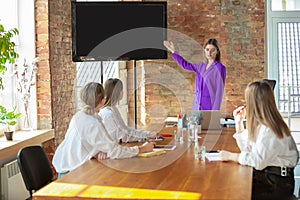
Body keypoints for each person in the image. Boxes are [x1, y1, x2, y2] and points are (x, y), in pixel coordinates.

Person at [52, 82, 154, 178]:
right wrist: (142, 149)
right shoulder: (93, 123)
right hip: (71, 174)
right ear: (102, 101)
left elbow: (85, 142)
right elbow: (115, 151)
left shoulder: (79, 116)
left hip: (68, 168)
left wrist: (98, 151)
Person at [220, 80, 299, 200]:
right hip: (269, 176)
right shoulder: (263, 125)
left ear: (254, 103)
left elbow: (258, 162)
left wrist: (231, 156)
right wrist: (239, 122)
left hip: (277, 183)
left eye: (247, 101)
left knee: (231, 188)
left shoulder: (270, 129)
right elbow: (248, 151)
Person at [163, 39, 226, 110]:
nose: (209, 53)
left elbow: (219, 92)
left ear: (217, 51)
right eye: (207, 49)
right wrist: (173, 51)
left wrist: (215, 111)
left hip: (209, 107)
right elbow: (185, 65)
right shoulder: (201, 66)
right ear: (204, 50)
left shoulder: (220, 68)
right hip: (197, 106)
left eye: (212, 50)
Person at [99, 78, 159, 143]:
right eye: (121, 90)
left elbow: (126, 129)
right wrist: (146, 137)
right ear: (117, 92)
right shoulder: (108, 114)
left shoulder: (113, 109)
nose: (123, 92)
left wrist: (148, 134)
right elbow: (122, 137)